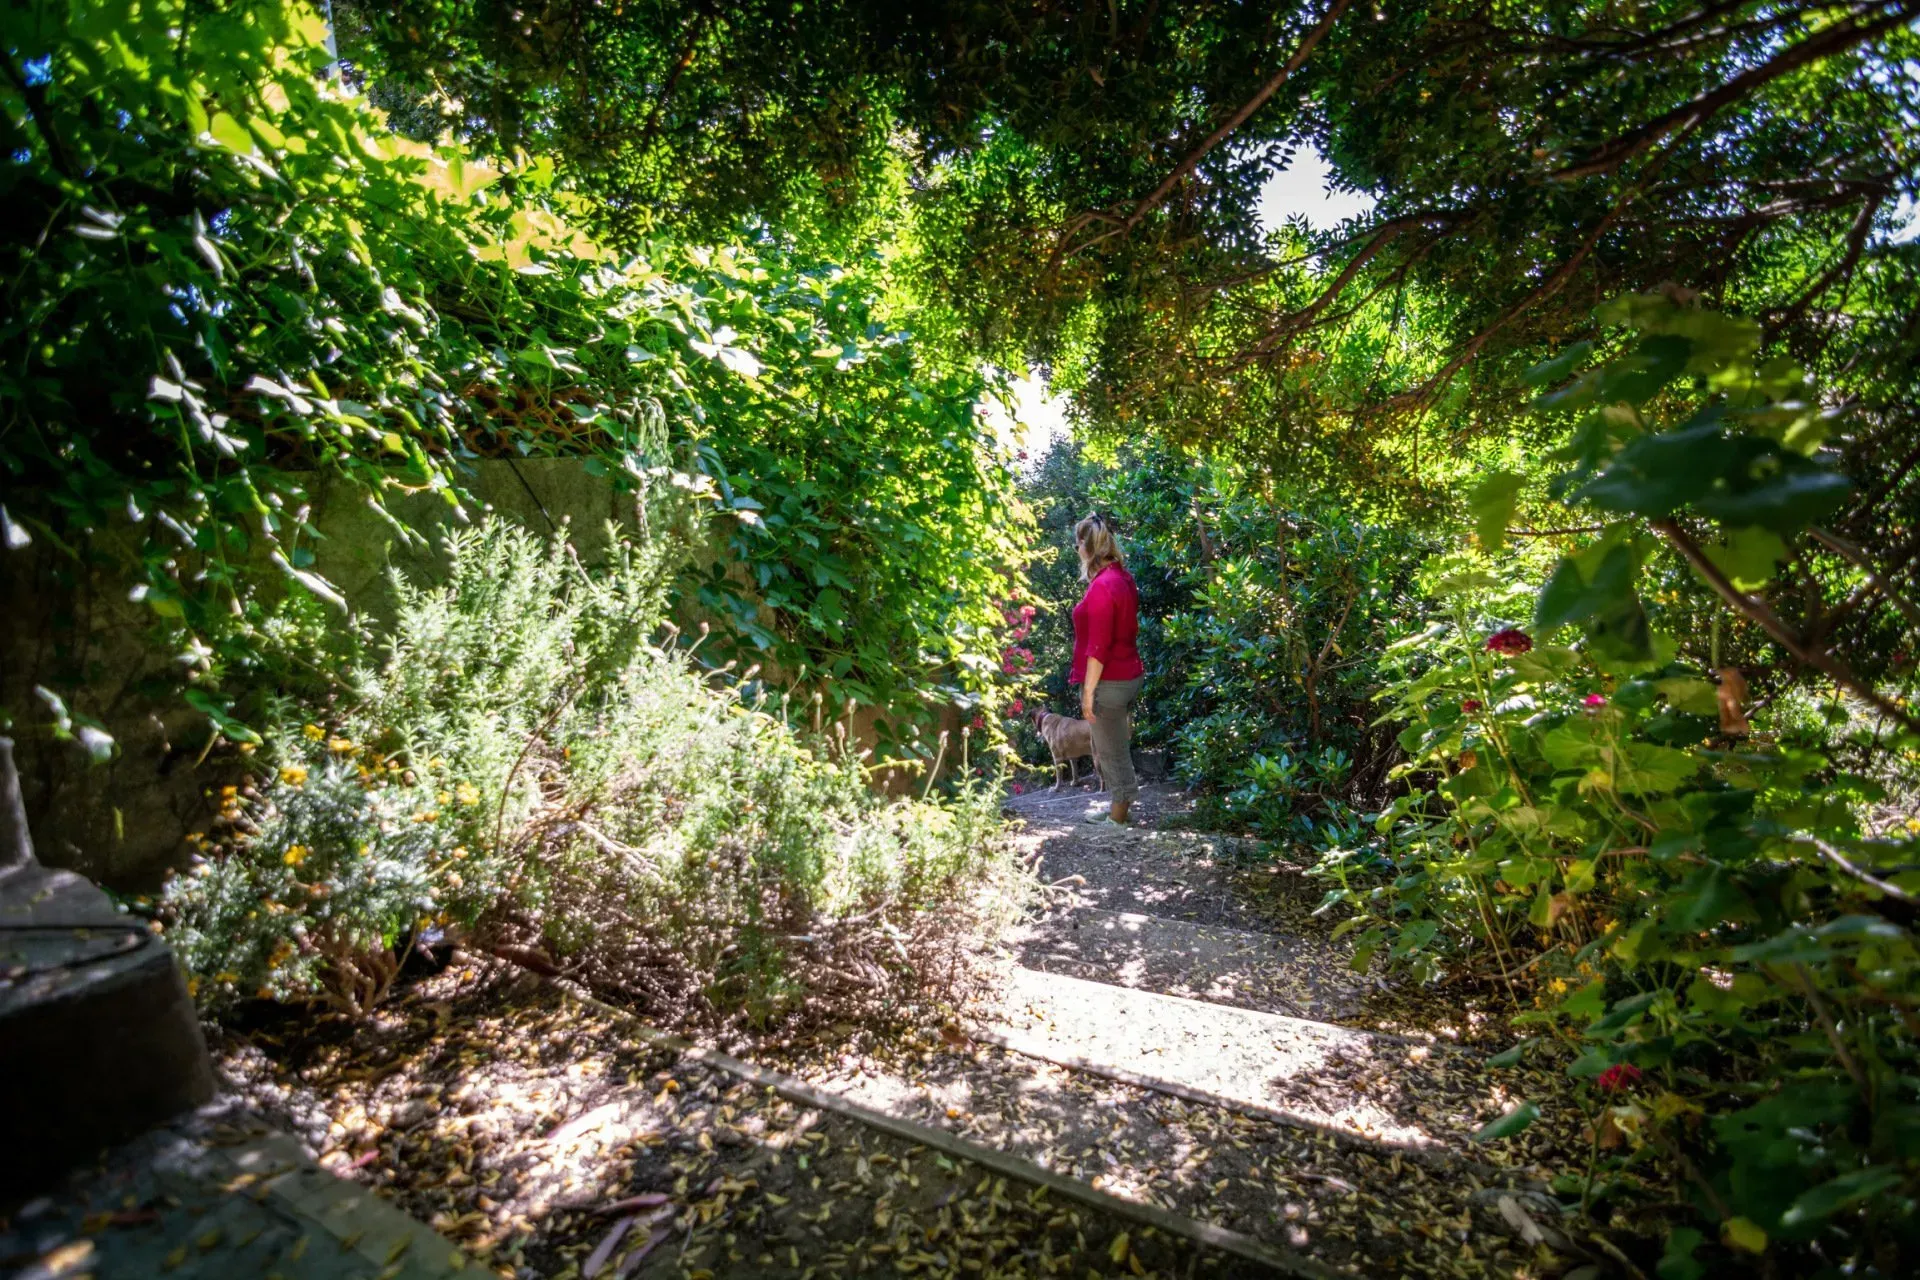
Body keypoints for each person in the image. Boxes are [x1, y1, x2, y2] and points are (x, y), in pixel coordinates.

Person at [1070, 513, 1144, 824]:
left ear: (1086, 548)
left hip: (1110, 681)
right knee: (1114, 746)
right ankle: (1117, 810)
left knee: (1111, 752)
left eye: (1077, 545)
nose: (1076, 550)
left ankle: (1118, 820)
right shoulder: (1122, 578)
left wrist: (1088, 694)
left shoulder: (1103, 586)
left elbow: (1098, 649)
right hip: (1128, 674)